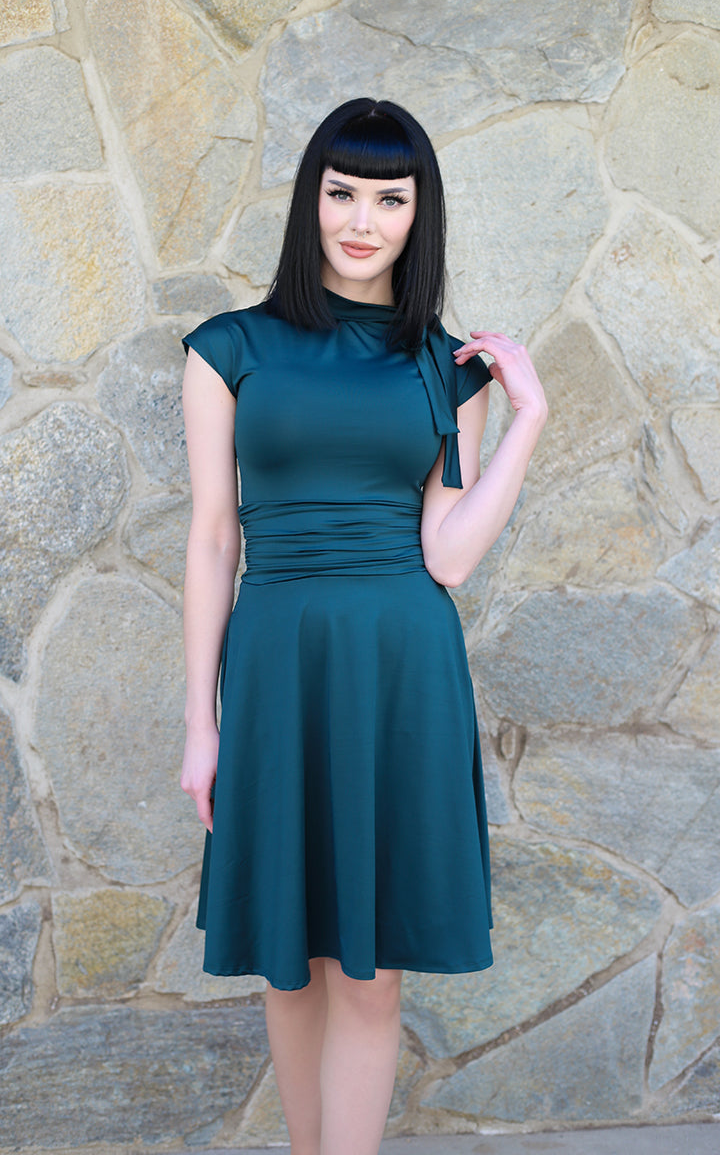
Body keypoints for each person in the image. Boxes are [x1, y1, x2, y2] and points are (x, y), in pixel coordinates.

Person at [180, 98, 547, 1155]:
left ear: (416, 215)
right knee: (286, 965)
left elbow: (447, 552)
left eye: (390, 198)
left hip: (398, 670)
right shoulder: (226, 348)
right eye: (341, 191)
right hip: (277, 663)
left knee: (369, 975)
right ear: (311, 199)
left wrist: (525, 418)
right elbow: (212, 540)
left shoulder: (446, 366)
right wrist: (198, 724)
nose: (361, 218)